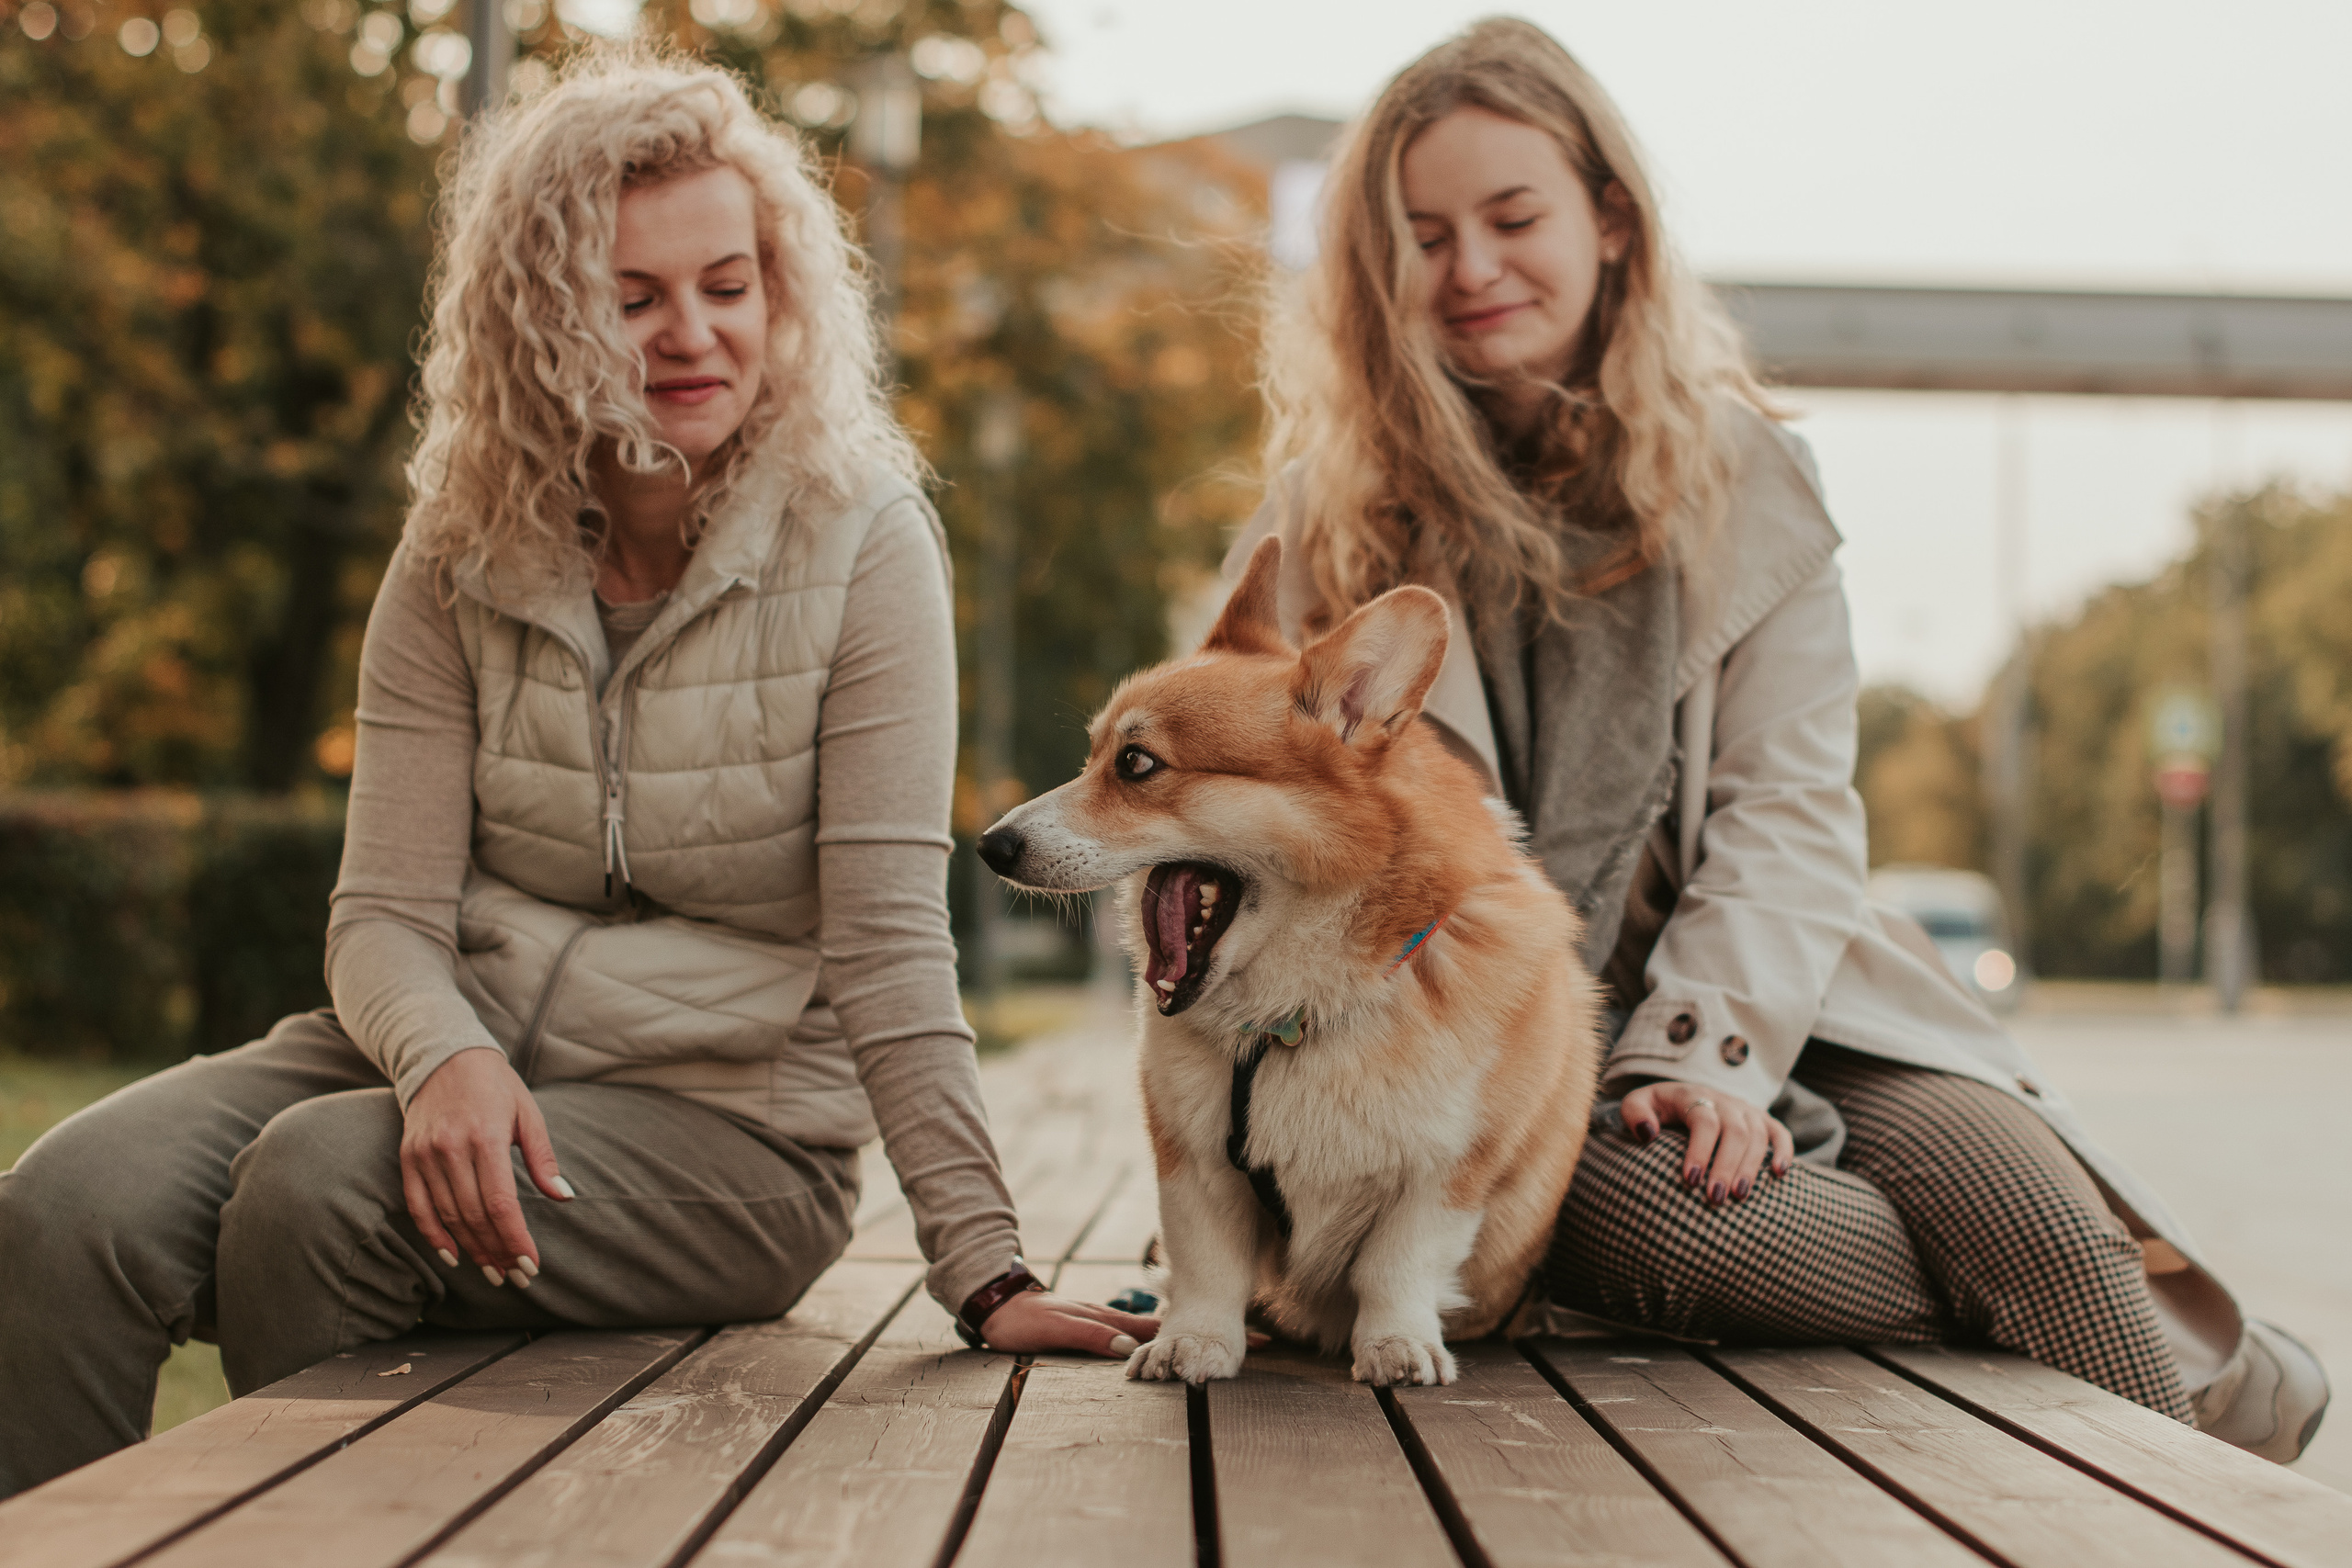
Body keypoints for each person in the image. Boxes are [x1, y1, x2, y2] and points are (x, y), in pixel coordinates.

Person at [0, 48, 1152, 1500]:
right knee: (60, 1213)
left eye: (727, 286)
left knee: (318, 1188)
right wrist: (450, 1055)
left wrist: (986, 1268)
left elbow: (884, 934)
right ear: (542, 316)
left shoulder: (862, 541)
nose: (693, 336)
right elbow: (384, 915)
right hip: (450, 1060)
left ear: (781, 291)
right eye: (634, 296)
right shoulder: (461, 544)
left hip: (728, 1139)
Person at [1227, 17, 2324, 1459]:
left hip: (1787, 981)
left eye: (1512, 218)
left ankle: (2200, 1466)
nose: (1472, 269)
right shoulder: (1321, 519)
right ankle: (2161, 1358)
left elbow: (1787, 812)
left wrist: (1702, 1053)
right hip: (1492, 1040)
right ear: (1377, 268)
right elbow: (1226, 806)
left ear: (1610, 221)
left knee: (2031, 1216)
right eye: (1423, 236)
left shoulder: (1748, 475)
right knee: (1650, 1224)